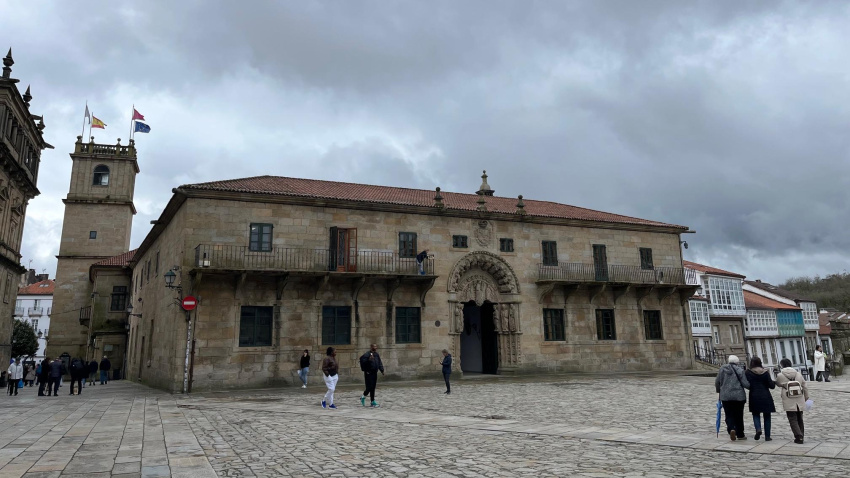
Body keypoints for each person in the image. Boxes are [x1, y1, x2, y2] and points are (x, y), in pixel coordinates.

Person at [715, 354, 750, 441]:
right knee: (738, 415)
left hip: (726, 396)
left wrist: (719, 391)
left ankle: (731, 429)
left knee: (729, 414)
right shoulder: (740, 370)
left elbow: (717, 382)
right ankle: (740, 434)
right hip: (738, 396)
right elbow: (745, 384)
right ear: (737, 362)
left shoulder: (722, 369)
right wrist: (751, 387)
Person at [775, 358, 810, 444]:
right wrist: (806, 397)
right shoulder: (798, 374)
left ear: (782, 365)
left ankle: (798, 436)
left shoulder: (780, 375)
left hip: (788, 398)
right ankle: (801, 435)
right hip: (799, 398)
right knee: (800, 418)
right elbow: (804, 385)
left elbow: (778, 383)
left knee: (792, 418)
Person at [745, 356, 775, 441]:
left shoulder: (748, 372)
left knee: (755, 414)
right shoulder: (765, 372)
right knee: (767, 416)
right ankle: (767, 436)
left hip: (754, 395)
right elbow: (771, 386)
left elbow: (746, 384)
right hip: (765, 395)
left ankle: (758, 429)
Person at [359, 343, 384, 408]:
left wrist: (382, 370)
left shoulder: (376, 354)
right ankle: (363, 396)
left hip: (374, 372)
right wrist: (369, 360)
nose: (375, 347)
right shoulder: (367, 355)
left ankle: (372, 401)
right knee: (369, 387)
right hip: (368, 373)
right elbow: (363, 362)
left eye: (376, 346)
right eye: (374, 346)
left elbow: (379, 362)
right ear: (371, 347)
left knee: (373, 387)